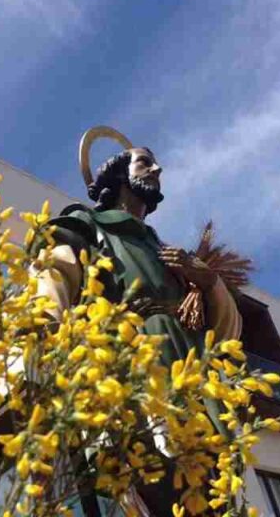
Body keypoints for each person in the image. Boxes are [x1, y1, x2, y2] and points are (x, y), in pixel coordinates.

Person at [35, 128, 243, 515]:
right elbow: (57, 267)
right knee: (154, 467)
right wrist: (47, 320)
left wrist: (206, 280)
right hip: (135, 356)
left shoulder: (165, 251)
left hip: (189, 363)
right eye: (145, 162)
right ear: (116, 175)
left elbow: (225, 335)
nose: (158, 169)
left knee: (215, 477)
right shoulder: (89, 224)